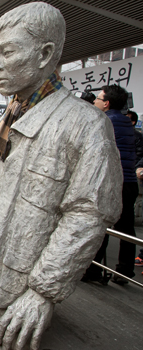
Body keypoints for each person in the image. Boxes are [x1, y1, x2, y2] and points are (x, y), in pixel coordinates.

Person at [0, 3, 122, 350]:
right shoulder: (11, 112)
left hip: (12, 289)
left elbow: (88, 214)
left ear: (44, 54)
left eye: (8, 52)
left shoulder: (87, 125)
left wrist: (44, 292)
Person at [83, 85, 137, 285]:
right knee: (125, 230)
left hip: (111, 182)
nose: (94, 102)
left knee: (100, 225)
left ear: (106, 103)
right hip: (129, 182)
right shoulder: (125, 121)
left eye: (97, 99)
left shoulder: (105, 121)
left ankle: (93, 270)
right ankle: (124, 271)